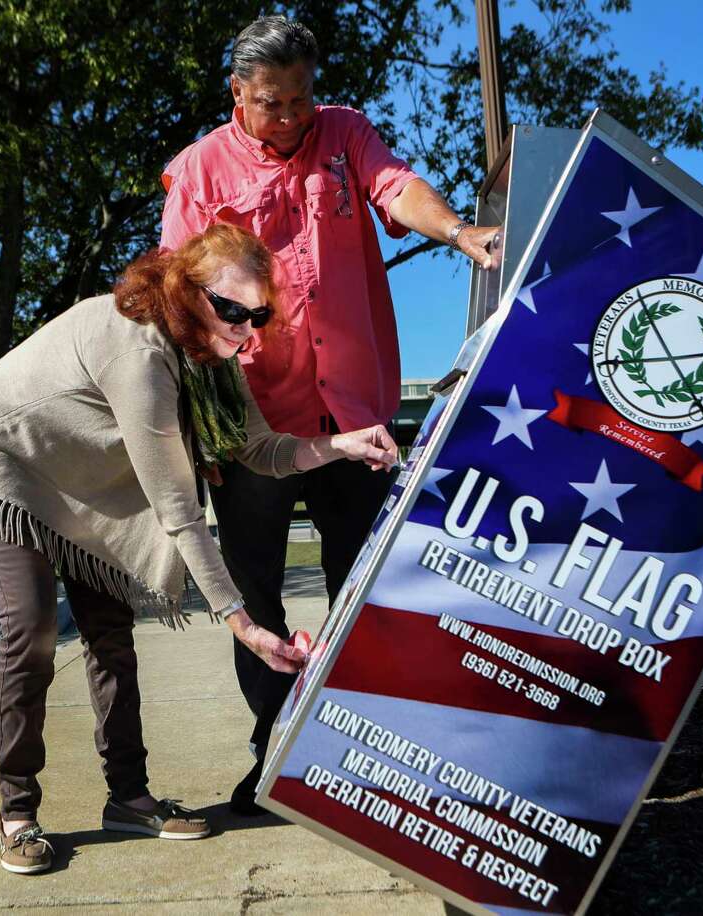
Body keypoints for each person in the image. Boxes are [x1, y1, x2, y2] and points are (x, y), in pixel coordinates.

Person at [0, 224, 397, 875]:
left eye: (256, 315)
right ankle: (17, 813)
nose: (243, 329)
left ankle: (129, 798)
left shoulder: (212, 358)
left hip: (79, 480)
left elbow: (260, 450)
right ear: (184, 289)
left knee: (109, 632)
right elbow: (178, 508)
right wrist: (244, 624)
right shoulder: (141, 348)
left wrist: (340, 446)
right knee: (33, 628)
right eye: (230, 310)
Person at [160, 15, 500, 815]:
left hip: (352, 411)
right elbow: (179, 303)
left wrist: (458, 232)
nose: (290, 118)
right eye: (273, 103)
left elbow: (395, 187)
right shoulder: (200, 171)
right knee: (259, 597)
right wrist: (201, 432)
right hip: (254, 429)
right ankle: (276, 755)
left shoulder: (343, 134)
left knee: (366, 588)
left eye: (302, 99)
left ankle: (368, 751)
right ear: (237, 93)